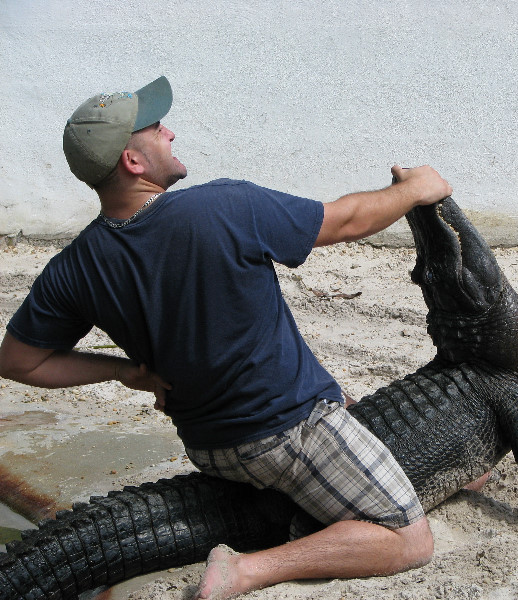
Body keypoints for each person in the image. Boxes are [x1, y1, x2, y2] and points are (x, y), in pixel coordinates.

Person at [0, 76, 452, 599]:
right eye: (154, 128)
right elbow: (347, 221)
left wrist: (125, 373)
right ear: (133, 161)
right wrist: (415, 189)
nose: (169, 131)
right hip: (286, 432)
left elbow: (18, 362)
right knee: (408, 538)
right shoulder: (224, 207)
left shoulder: (73, 267)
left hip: (210, 446)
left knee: (339, 400)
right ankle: (248, 572)